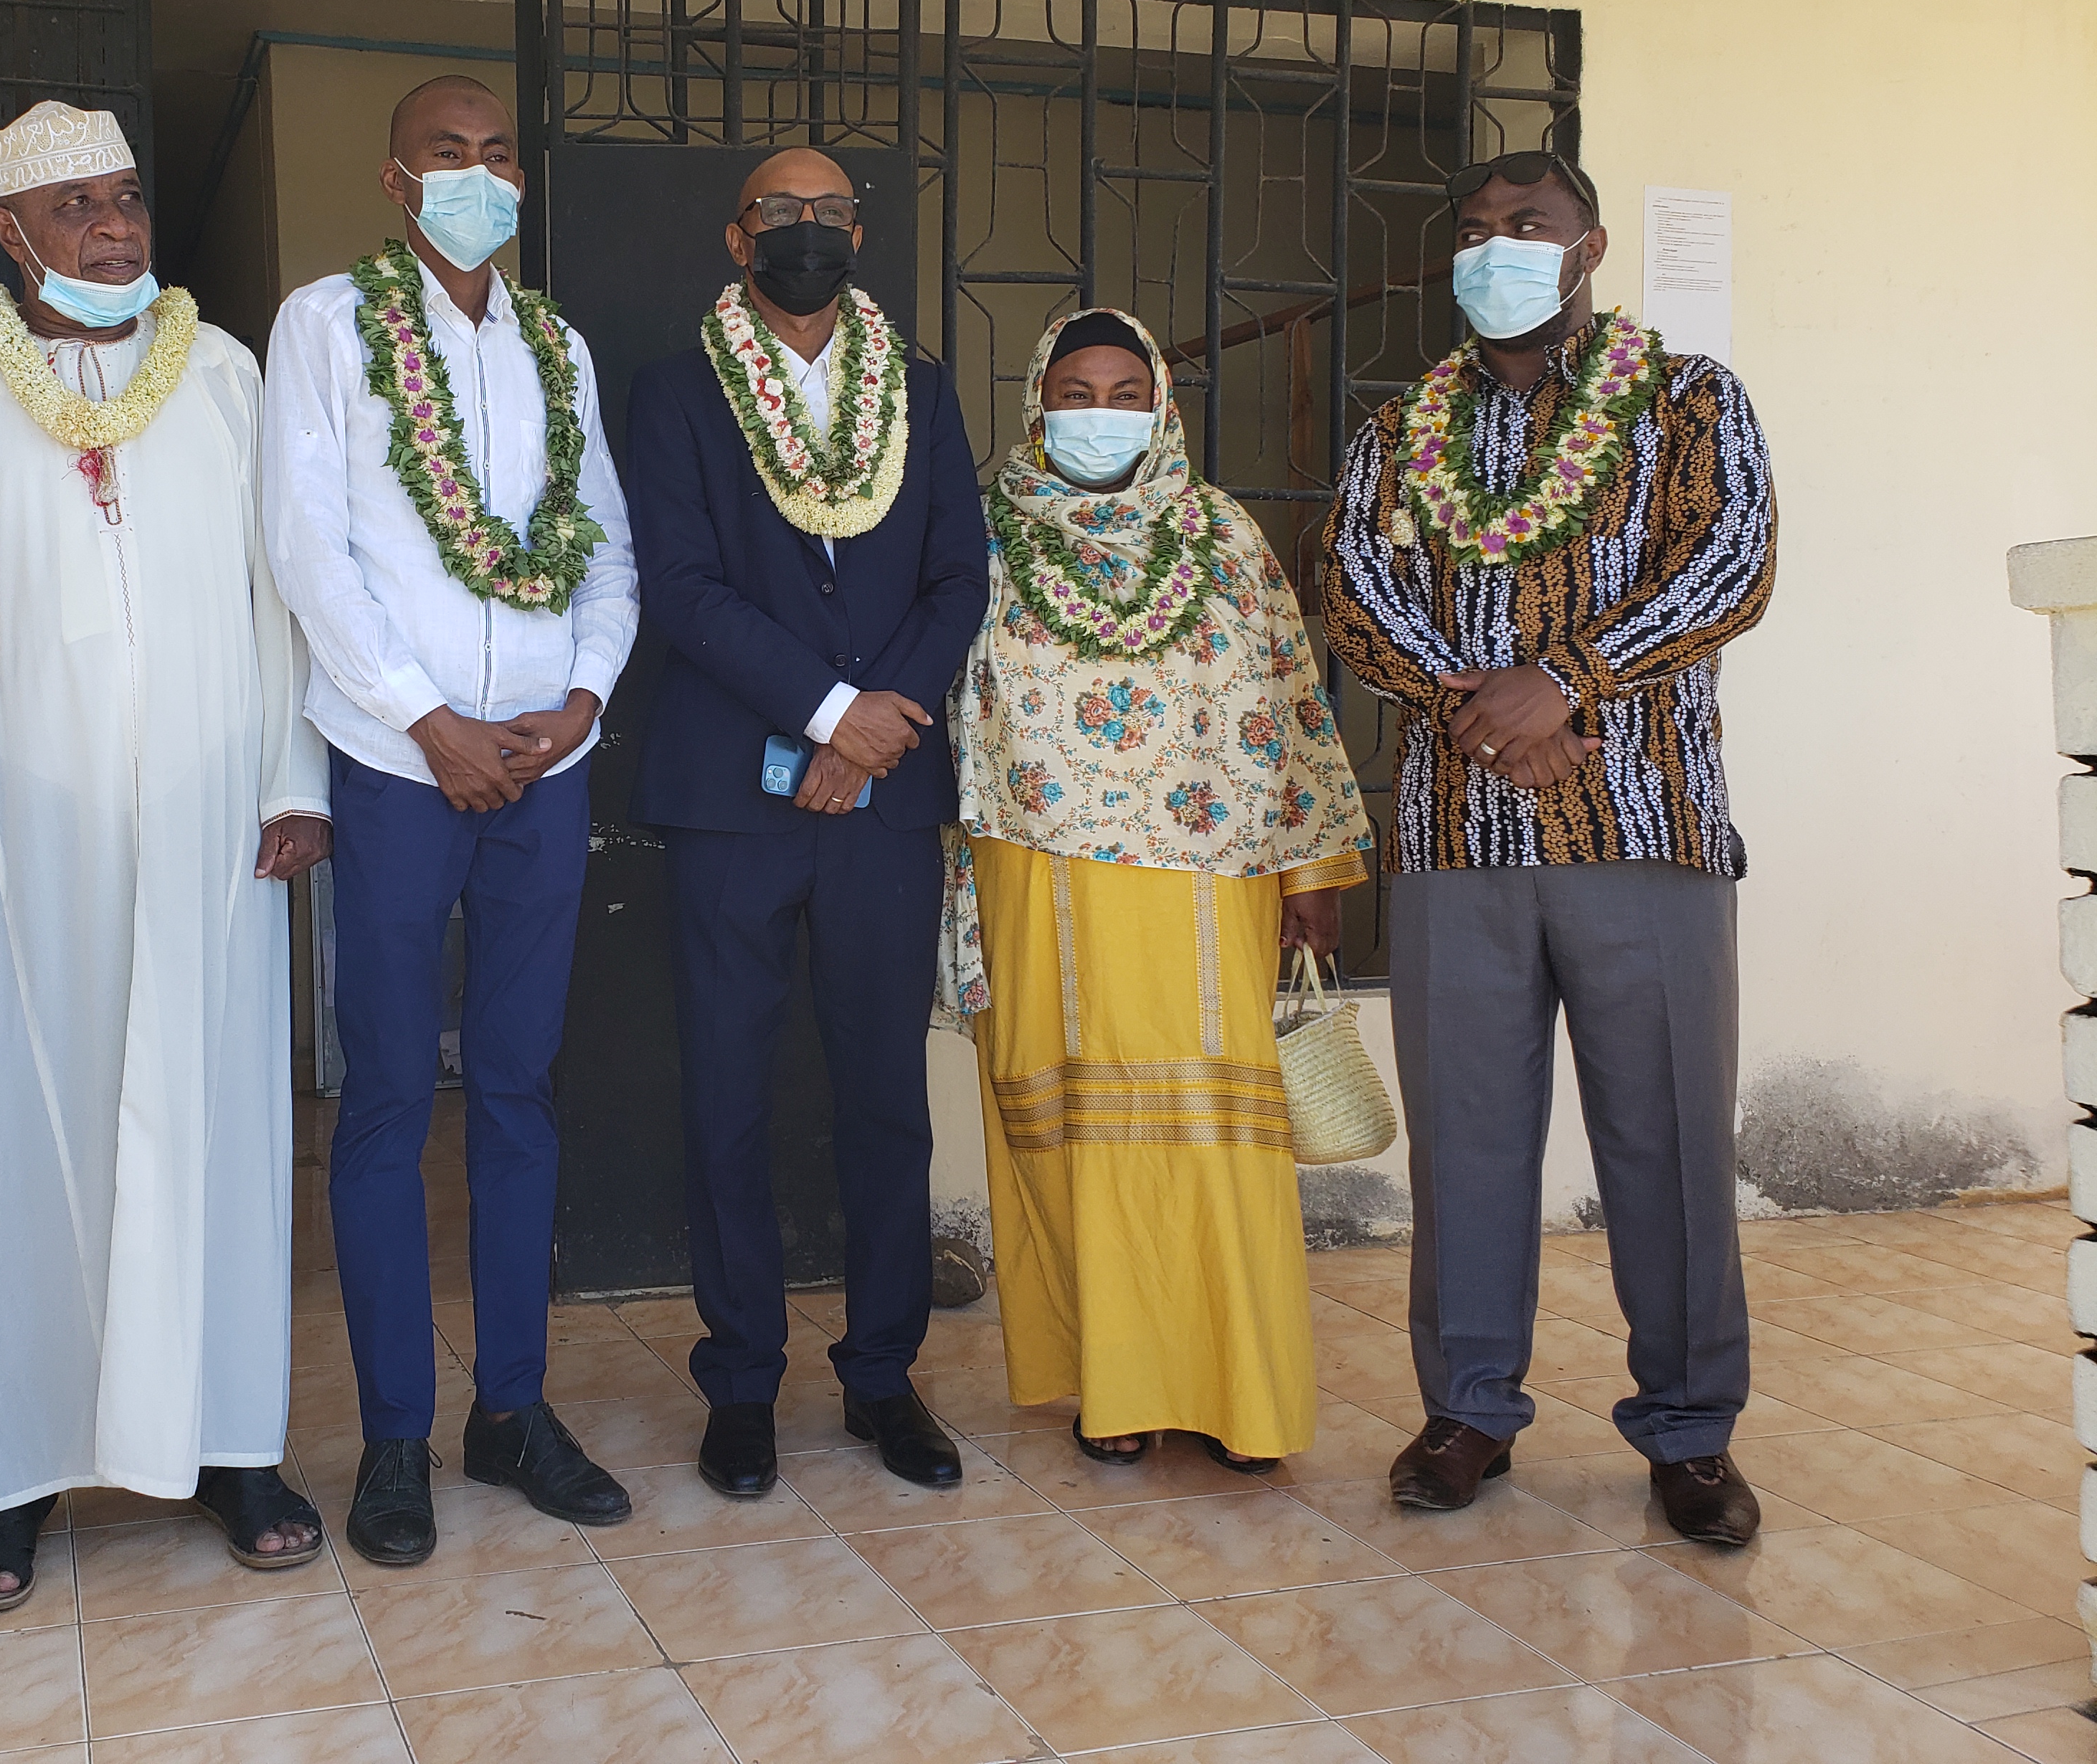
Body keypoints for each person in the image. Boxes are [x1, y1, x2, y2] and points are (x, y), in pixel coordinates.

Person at [0, 101, 333, 1604]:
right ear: (11, 232)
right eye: (75, 207)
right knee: (5, 1132)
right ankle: (3, 1472)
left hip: (207, 829)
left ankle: (225, 1442)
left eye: (126, 195)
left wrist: (290, 775)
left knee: (210, 1127)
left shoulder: (230, 377)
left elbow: (285, 595)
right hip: (10, 831)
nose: (115, 225)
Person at [1319, 149, 1776, 1546]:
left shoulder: (1687, 399)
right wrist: (1485, 707)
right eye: (1474, 233)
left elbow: (1731, 562)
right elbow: (1350, 587)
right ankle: (1467, 1411)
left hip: (1641, 829)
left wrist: (1563, 682)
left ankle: (1690, 1434)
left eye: (1528, 227)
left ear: (1585, 249)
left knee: (1670, 1143)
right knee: (1468, 1148)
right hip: (1460, 840)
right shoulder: (1403, 431)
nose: (1496, 250)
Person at [262, 75, 640, 1567]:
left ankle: (516, 1413)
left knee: (519, 1090)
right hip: (398, 766)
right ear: (396, 178)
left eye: (498, 156)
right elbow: (308, 544)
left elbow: (603, 540)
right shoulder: (327, 325)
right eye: (447, 155)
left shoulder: (558, 344)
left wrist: (587, 699)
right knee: (377, 1111)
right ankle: (395, 1440)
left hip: (543, 770)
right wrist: (425, 718)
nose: (477, 176)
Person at [947, 309, 1371, 1473]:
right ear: (1037, 404)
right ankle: (1113, 1387)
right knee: (1069, 1135)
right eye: (1073, 391)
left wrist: (1314, 871)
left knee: (1212, 1139)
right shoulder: (983, 537)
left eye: (1124, 388)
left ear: (1162, 404)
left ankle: (1240, 1394)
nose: (1099, 413)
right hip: (1041, 877)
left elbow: (1290, 707)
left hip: (1209, 881)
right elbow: (945, 712)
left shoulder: (1225, 539)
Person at [625, 146, 988, 1502]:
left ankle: (885, 1376)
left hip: (885, 797)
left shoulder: (927, 394)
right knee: (729, 1097)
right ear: (737, 238)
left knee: (886, 1099)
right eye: (783, 213)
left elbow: (961, 572)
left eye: (834, 212)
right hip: (734, 801)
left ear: (859, 232)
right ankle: (741, 1385)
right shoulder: (675, 396)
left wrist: (875, 721)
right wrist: (832, 708)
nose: (809, 230)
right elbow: (682, 585)